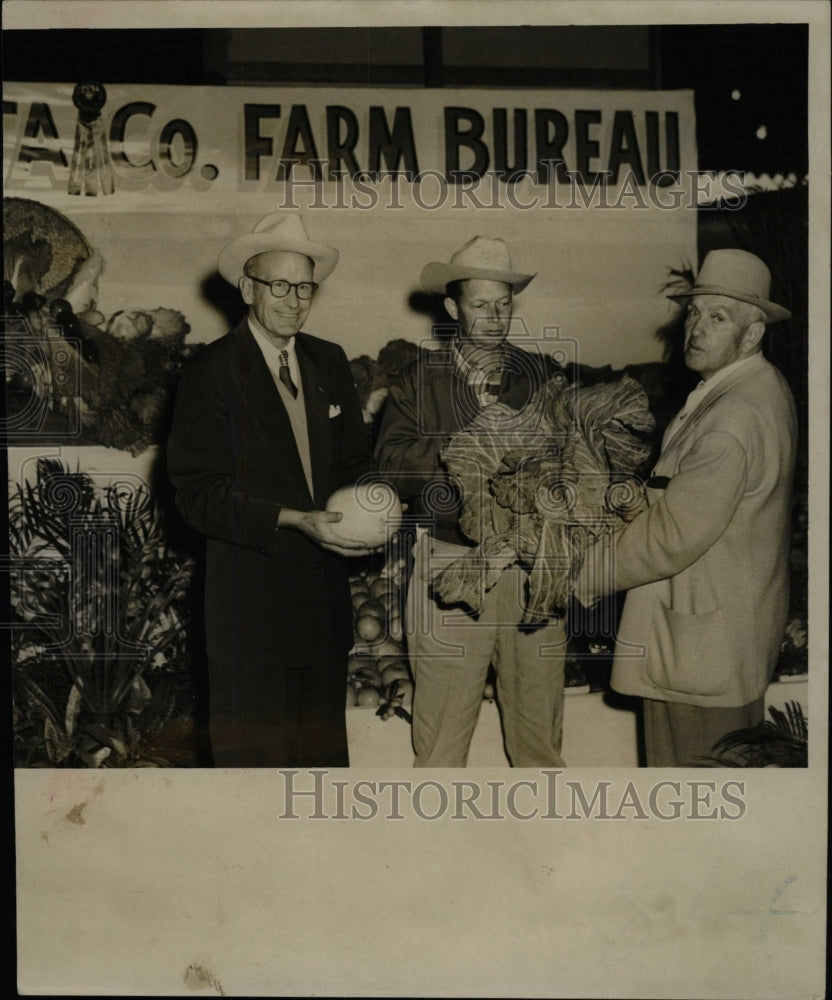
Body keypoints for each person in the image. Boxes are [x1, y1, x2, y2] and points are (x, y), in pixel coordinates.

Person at [576, 249, 797, 766]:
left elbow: (673, 536)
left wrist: (583, 572)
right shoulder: (753, 387)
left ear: (753, 333)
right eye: (695, 313)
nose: (695, 328)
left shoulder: (733, 418)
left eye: (718, 317)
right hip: (721, 641)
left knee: (690, 802)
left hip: (698, 653)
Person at [168, 213, 374, 767]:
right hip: (249, 614)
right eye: (279, 285)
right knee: (252, 785)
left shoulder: (328, 360)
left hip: (323, 609)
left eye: (305, 287)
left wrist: (372, 509)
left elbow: (356, 462)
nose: (294, 300)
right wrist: (291, 517)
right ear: (247, 288)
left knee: (321, 781)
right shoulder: (210, 371)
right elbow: (196, 494)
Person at [374, 236, 568, 767]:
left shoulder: (543, 375)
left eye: (503, 304)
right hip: (449, 564)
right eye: (480, 305)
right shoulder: (416, 381)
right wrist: (476, 445)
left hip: (533, 567)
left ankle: (546, 851)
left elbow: (577, 457)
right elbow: (391, 464)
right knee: (440, 743)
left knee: (539, 739)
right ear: (452, 307)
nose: (494, 317)